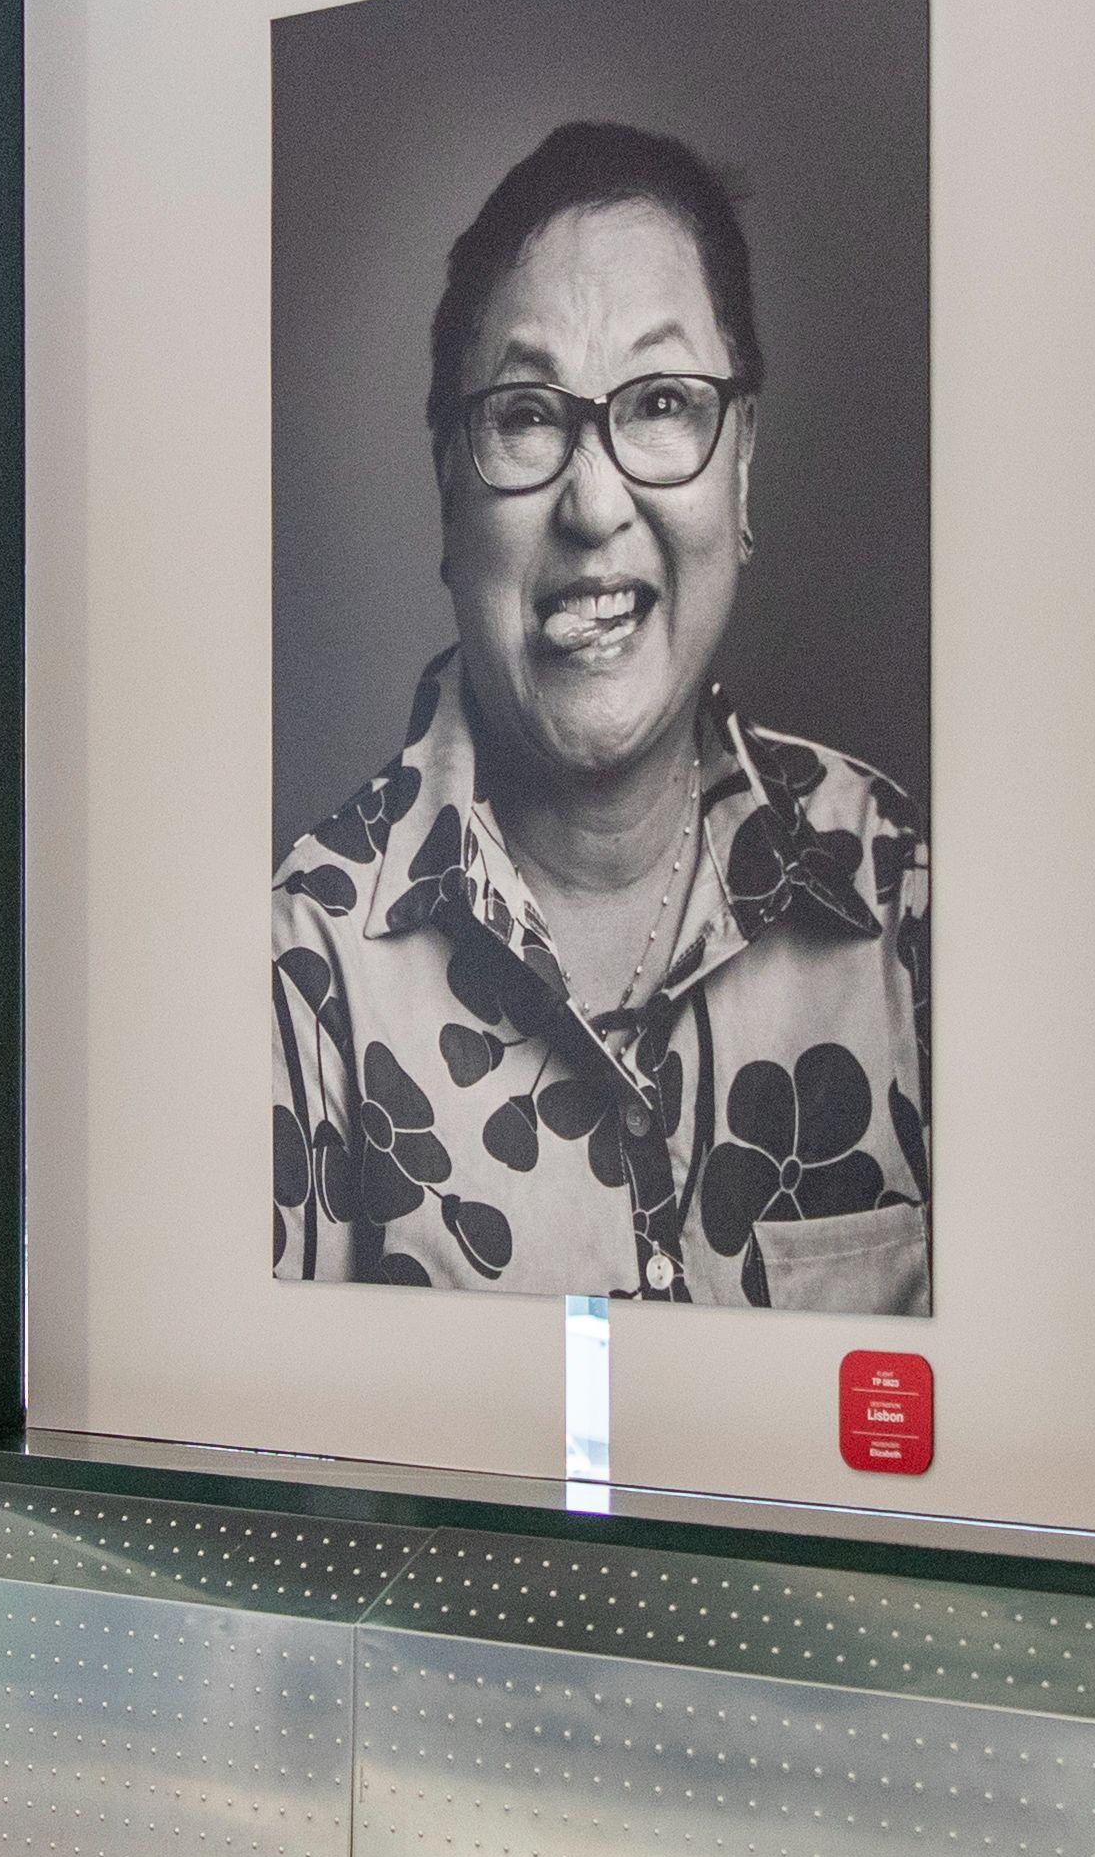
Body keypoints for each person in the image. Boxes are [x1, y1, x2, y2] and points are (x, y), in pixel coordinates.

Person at [272, 121, 929, 1308]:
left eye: (662, 401)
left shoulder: (901, 895)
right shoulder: (295, 973)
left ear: (740, 471)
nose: (592, 502)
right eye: (526, 415)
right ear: (446, 491)